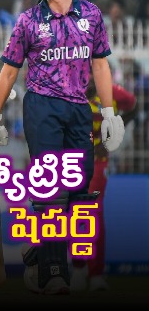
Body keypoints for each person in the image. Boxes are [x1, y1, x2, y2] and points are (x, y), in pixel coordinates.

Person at [0, 0, 124, 295]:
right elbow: (9, 72)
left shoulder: (91, 14)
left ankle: (38, 253)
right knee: (51, 187)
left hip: (79, 108)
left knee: (80, 190)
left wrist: (109, 113)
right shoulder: (28, 21)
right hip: (42, 106)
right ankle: (53, 273)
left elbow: (100, 64)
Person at [70, 76, 138, 292]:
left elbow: (133, 106)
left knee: (93, 212)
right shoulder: (68, 89)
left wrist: (112, 134)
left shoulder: (111, 91)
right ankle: (79, 268)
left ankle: (95, 274)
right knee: (76, 213)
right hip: (72, 161)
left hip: (98, 162)